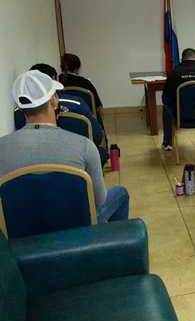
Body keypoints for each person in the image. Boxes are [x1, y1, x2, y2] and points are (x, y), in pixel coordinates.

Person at [0, 70, 129, 223]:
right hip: (77, 228)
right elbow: (99, 200)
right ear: (54, 101)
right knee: (120, 193)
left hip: (23, 233)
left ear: (19, 107)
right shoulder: (84, 146)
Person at [14, 63, 108, 166]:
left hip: (32, 167)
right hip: (78, 167)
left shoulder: (18, 115)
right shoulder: (77, 104)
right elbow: (97, 136)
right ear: (53, 100)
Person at [161, 48, 195, 150]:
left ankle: (168, 143)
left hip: (181, 117)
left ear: (182, 59)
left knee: (166, 107)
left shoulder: (174, 73)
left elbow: (165, 98)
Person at [59, 53, 105, 125]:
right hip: (85, 122)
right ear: (77, 68)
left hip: (62, 122)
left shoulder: (56, 83)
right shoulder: (86, 83)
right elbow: (99, 107)